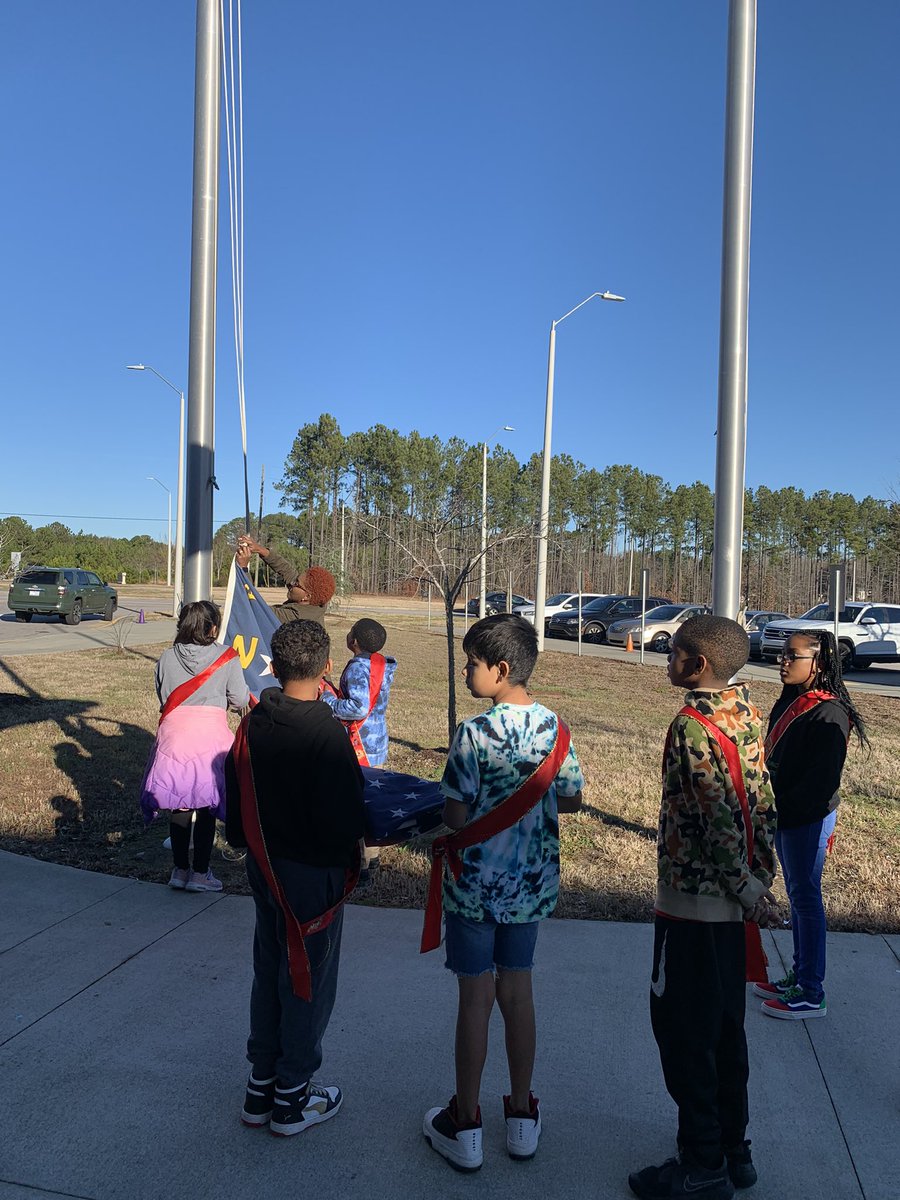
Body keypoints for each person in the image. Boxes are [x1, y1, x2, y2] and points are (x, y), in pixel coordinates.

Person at [421, 614, 584, 1172]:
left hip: (474, 890)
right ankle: (520, 1115)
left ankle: (465, 1122)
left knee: (474, 999)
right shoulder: (556, 730)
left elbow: (454, 811)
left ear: (501, 669)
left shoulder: (473, 732)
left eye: (472, 663)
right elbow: (572, 798)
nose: (466, 670)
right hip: (530, 887)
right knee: (518, 992)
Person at [629, 615, 776, 1200]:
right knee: (725, 1032)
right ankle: (734, 1148)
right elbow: (765, 797)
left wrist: (740, 884)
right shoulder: (747, 712)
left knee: (685, 1032)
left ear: (698, 666)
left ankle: (701, 1163)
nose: (668, 661)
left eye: (674, 654)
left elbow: (713, 815)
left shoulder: (691, 725)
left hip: (694, 904)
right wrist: (760, 879)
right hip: (737, 902)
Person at [224, 619, 365, 1137]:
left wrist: (243, 843)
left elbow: (235, 789)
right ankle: (292, 1098)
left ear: (274, 666)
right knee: (306, 978)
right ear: (327, 668)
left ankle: (260, 1086)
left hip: (264, 870)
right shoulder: (326, 732)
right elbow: (348, 815)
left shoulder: (253, 723)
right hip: (312, 878)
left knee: (269, 970)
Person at [754, 629, 868, 1021]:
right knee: (799, 896)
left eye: (792, 656)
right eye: (782, 654)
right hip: (785, 813)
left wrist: (781, 811)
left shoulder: (828, 711)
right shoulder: (794, 698)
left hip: (807, 817)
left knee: (806, 899)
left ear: (817, 663)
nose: (782, 661)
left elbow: (821, 781)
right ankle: (799, 976)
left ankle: (811, 992)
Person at [140, 600, 249, 893]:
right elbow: (239, 699)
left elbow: (163, 696)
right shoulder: (227, 657)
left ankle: (179, 870)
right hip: (211, 735)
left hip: (174, 734)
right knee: (207, 804)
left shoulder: (166, 657)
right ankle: (201, 872)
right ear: (213, 627)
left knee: (179, 801)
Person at [321, 618, 397, 883]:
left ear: (354, 641)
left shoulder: (357, 667)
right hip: (378, 740)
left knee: (356, 802)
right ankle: (373, 855)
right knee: (371, 799)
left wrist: (328, 700)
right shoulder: (381, 665)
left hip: (359, 743)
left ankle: (361, 864)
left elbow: (358, 707)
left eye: (350, 631)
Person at [235, 536, 335, 626]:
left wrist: (243, 569)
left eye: (296, 583)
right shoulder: (315, 601)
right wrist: (260, 549)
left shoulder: (296, 617)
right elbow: (286, 569)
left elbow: (256, 610)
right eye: (296, 580)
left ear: (307, 596)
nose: (292, 583)